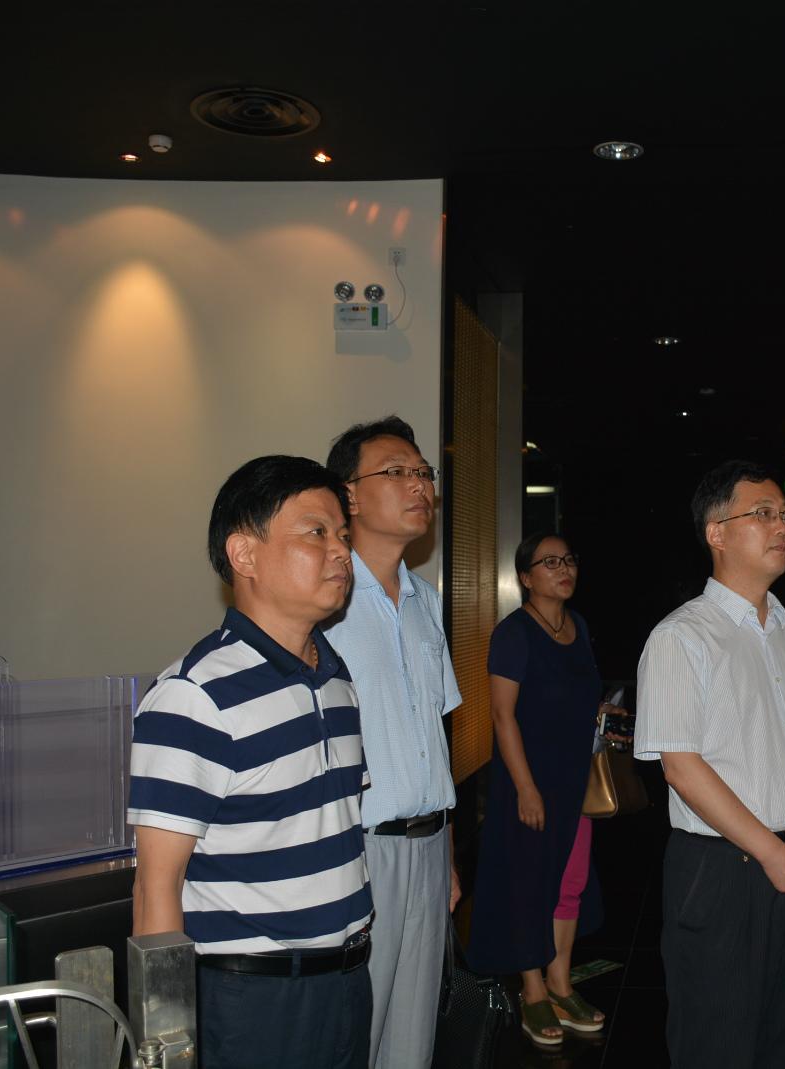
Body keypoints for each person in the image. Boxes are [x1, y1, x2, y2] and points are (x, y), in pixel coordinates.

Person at [128, 455, 373, 1069]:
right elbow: (156, 886)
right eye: (316, 532)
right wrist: (168, 1037)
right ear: (244, 554)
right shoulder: (194, 696)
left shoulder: (337, 680)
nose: (341, 551)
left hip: (347, 982)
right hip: (252, 1000)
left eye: (344, 535)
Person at [634, 459, 785, 1069]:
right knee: (718, 1044)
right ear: (717, 532)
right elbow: (681, 766)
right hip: (723, 869)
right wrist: (772, 852)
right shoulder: (682, 636)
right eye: (763, 514)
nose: (782, 526)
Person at [322, 415, 461, 1069]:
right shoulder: (323, 602)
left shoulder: (426, 601)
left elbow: (435, 734)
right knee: (353, 1034)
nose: (419, 485)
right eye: (397, 472)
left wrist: (448, 855)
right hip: (357, 851)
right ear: (348, 494)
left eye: (423, 473)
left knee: (412, 1040)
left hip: (429, 848)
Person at [467, 532, 616, 1046]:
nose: (564, 568)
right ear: (525, 577)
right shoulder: (513, 633)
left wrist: (601, 713)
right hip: (528, 781)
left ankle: (560, 982)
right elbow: (502, 716)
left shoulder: (579, 626)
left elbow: (576, 695)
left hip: (574, 780)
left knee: (569, 883)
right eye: (550, 562)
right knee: (529, 885)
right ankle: (532, 990)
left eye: (569, 559)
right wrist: (526, 788)